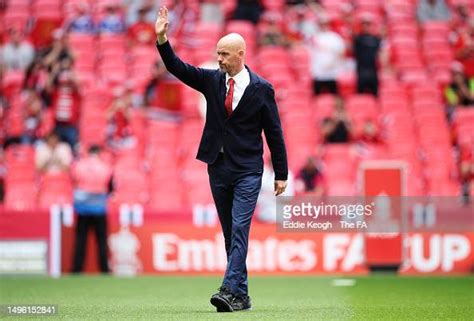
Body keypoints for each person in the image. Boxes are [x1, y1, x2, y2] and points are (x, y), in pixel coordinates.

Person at [154, 6, 288, 312]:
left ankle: (228, 290)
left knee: (240, 228)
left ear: (240, 54)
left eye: (225, 54)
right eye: (218, 53)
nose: (219, 59)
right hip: (219, 167)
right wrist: (162, 39)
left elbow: (275, 132)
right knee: (230, 232)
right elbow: (177, 67)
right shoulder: (212, 81)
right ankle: (241, 295)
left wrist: (281, 173)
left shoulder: (262, 89)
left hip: (249, 170)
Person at [71, 145, 113, 273]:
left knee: (80, 240)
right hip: (99, 208)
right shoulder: (105, 166)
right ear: (99, 152)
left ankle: (77, 269)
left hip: (83, 208)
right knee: (101, 241)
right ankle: (104, 269)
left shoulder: (79, 165)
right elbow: (110, 186)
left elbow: (74, 181)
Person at [309, 15, 346, 95]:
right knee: (318, 98)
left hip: (332, 73)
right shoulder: (315, 37)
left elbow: (341, 53)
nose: (323, 26)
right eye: (321, 24)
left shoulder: (335, 37)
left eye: (325, 24)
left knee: (334, 97)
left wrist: (335, 63)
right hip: (318, 73)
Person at [353, 15, 381, 96]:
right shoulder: (358, 38)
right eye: (364, 24)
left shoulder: (376, 39)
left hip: (373, 72)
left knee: (375, 95)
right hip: (361, 71)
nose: (366, 26)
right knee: (361, 96)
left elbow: (381, 53)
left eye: (368, 24)